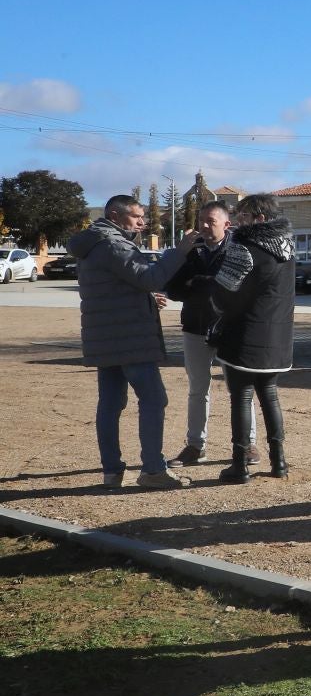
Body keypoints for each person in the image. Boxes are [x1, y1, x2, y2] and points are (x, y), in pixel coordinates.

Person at [69, 195, 197, 489]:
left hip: (107, 336)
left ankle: (112, 472)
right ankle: (153, 470)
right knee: (154, 399)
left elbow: (116, 286)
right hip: (129, 337)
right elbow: (150, 277)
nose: (143, 222)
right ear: (115, 215)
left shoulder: (95, 242)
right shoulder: (112, 244)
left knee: (111, 403)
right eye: (137, 216)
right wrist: (180, 251)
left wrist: (145, 298)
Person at [208, 194, 298, 483]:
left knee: (241, 398)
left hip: (244, 335)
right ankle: (279, 462)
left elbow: (222, 293)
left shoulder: (244, 247)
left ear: (259, 218)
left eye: (244, 216)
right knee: (270, 396)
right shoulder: (288, 247)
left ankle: (240, 466)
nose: (237, 221)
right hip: (278, 336)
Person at [164, 202, 257, 468]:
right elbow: (173, 288)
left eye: (211, 220)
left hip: (229, 329)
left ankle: (248, 444)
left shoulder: (239, 252)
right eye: (201, 220)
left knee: (240, 390)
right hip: (194, 327)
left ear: (227, 225)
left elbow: (234, 289)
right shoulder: (190, 251)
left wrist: (200, 283)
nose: (204, 225)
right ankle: (195, 446)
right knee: (197, 389)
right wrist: (198, 283)